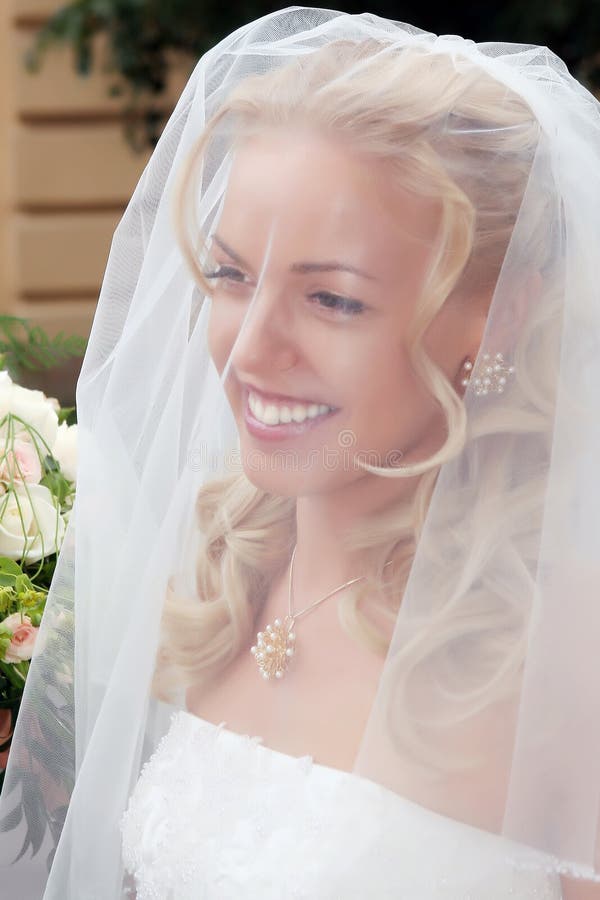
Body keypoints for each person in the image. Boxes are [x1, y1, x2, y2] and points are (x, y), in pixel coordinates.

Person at [1, 7, 600, 898]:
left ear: (501, 313)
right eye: (234, 276)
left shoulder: (562, 661)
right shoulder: (213, 580)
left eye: (333, 300)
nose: (246, 353)